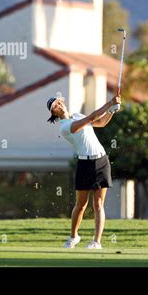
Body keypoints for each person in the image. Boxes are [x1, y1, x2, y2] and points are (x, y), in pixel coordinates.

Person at [46, 94, 121, 249]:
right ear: (54, 113)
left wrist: (112, 110)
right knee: (81, 204)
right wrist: (109, 103)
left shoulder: (77, 115)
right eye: (55, 105)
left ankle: (96, 242)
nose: (60, 105)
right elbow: (91, 117)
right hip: (84, 164)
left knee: (98, 204)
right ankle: (74, 237)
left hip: (101, 161)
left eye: (59, 102)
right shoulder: (65, 127)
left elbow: (100, 122)